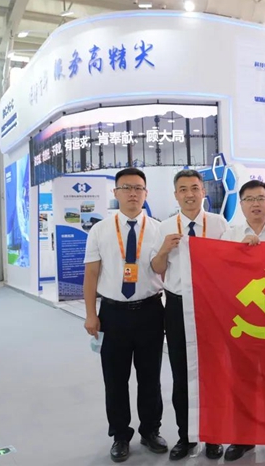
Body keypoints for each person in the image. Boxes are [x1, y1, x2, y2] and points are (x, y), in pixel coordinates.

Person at [83, 168, 167, 463]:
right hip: (113, 314)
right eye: (126, 188)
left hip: (150, 312)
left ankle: (150, 430)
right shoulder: (100, 229)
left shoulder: (159, 229)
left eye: (138, 188)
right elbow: (91, 275)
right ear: (115, 192)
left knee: (150, 378)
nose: (133, 193)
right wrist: (90, 314)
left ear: (146, 193)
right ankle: (120, 435)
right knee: (115, 379)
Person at [150, 169, 229, 461]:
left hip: (212, 307)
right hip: (177, 306)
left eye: (195, 188)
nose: (189, 194)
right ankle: (186, 437)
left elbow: (233, 263)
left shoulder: (220, 224)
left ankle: (214, 436)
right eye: (183, 189)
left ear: (203, 192)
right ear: (176, 195)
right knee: (182, 373)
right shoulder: (164, 227)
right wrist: (163, 250)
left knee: (214, 374)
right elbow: (157, 268)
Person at [220, 180, 265, 463]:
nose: (255, 204)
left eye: (260, 198)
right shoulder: (229, 236)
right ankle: (243, 438)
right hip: (242, 321)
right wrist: (238, 252)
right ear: (241, 204)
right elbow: (220, 274)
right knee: (242, 382)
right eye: (249, 199)